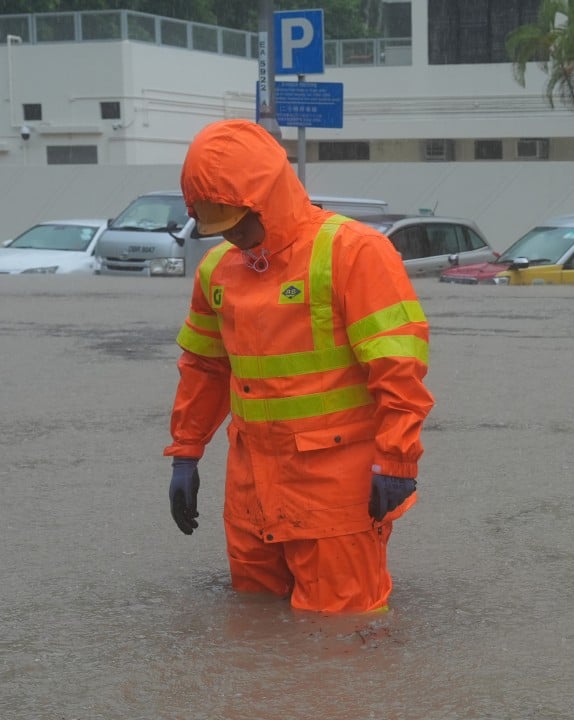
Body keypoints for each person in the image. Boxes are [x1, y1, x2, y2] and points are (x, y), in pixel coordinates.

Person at [163, 118, 434, 614]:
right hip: (250, 494)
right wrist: (186, 453)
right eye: (219, 226)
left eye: (240, 222)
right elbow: (203, 369)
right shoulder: (215, 270)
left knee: (341, 642)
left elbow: (399, 370)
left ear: (268, 196)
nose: (234, 237)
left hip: (335, 493)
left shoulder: (354, 252)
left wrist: (396, 460)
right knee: (256, 629)